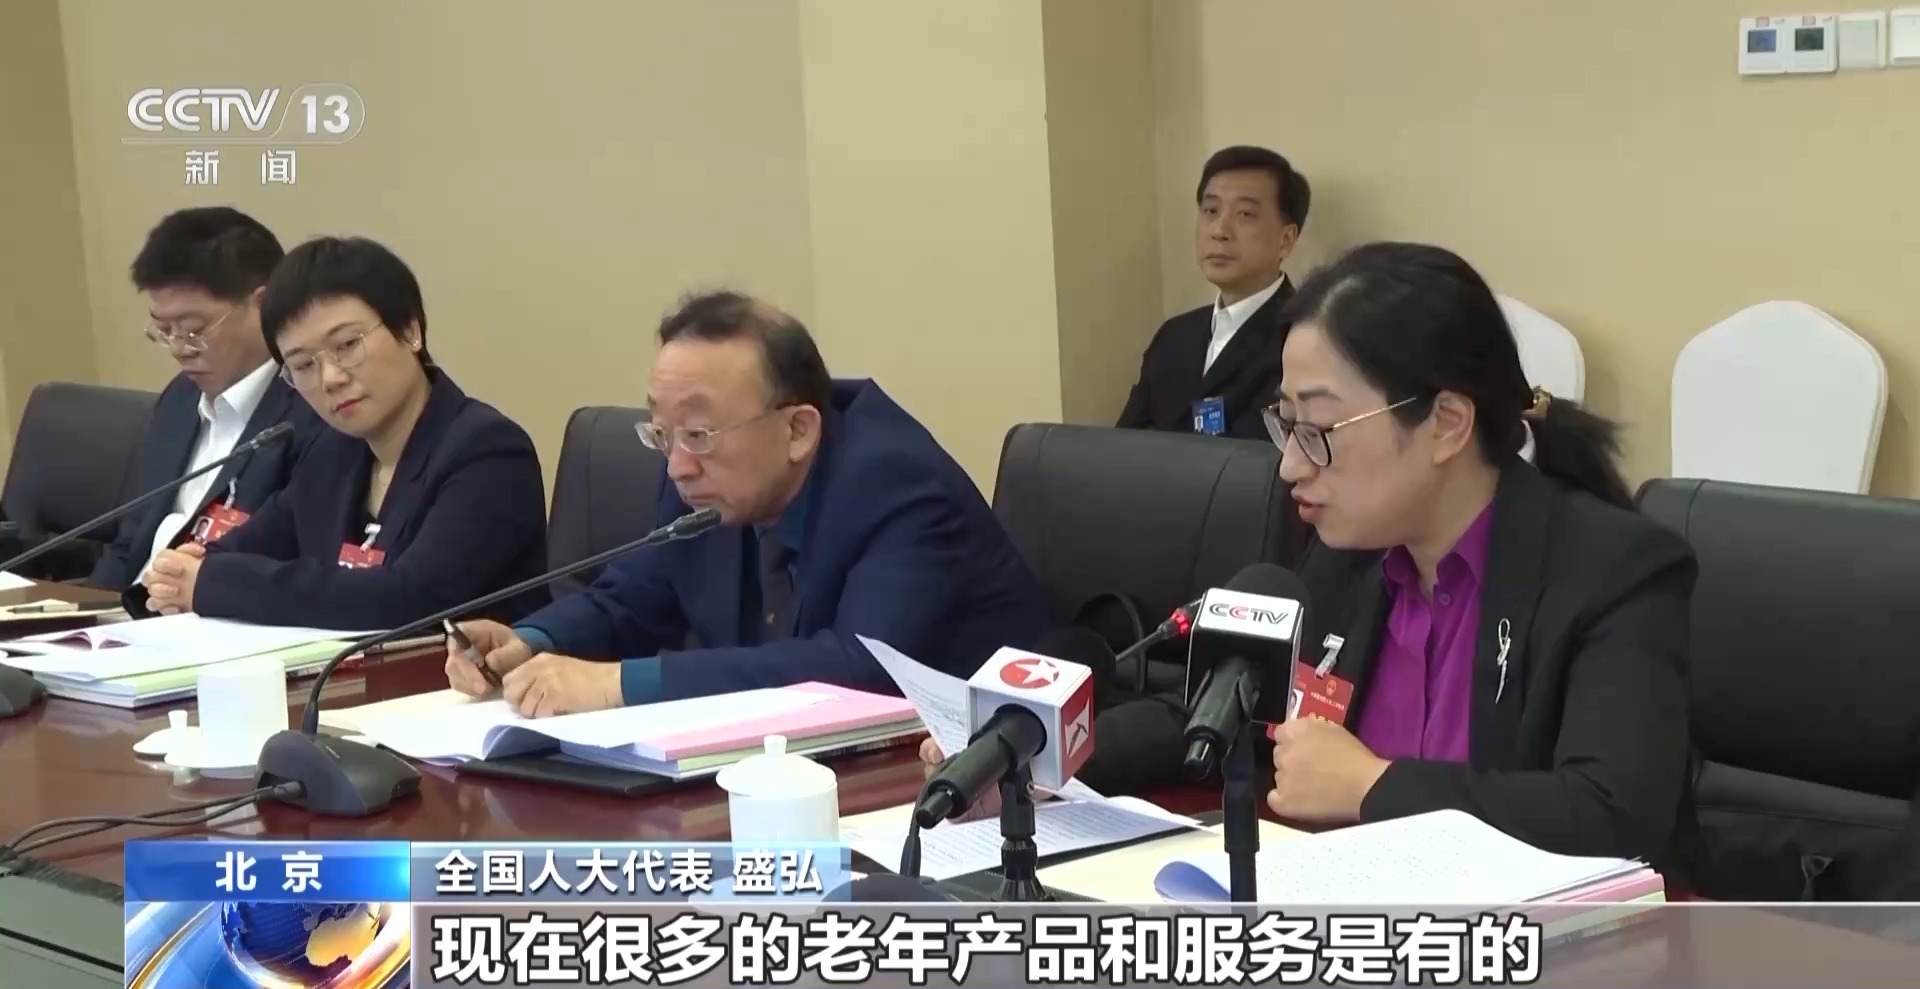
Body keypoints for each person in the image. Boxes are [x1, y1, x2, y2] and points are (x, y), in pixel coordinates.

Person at [1260, 241, 1698, 871]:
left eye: (1319, 431)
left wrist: (1373, 787)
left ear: (1447, 424)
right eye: (1286, 423)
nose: (1291, 465)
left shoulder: (1615, 572)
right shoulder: (1343, 554)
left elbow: (1612, 814)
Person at [444, 290, 1049, 718]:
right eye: (663, 433)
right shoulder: (701, 474)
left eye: (699, 432)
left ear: (797, 431)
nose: (678, 463)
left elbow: (861, 670)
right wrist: (531, 640)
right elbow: (635, 597)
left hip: (974, 783)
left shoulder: (900, 486)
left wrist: (618, 684)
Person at [137, 236, 549, 629]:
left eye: (348, 345)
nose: (330, 378)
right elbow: (244, 548)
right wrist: (187, 569)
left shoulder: (488, 451)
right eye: (303, 365)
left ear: (410, 330)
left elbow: (408, 600)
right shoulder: (332, 453)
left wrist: (213, 582)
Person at [89, 207, 322, 597]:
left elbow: (292, 566)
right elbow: (130, 547)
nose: (178, 349)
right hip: (130, 618)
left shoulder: (312, 411)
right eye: (163, 330)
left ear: (263, 305)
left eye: (194, 329)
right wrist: (76, 618)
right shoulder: (179, 400)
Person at [1117, 146, 1309, 440]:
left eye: (1245, 214)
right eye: (1210, 211)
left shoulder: (1304, 337)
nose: (1219, 231)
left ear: (1285, 240)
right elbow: (1123, 446)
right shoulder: (1174, 336)